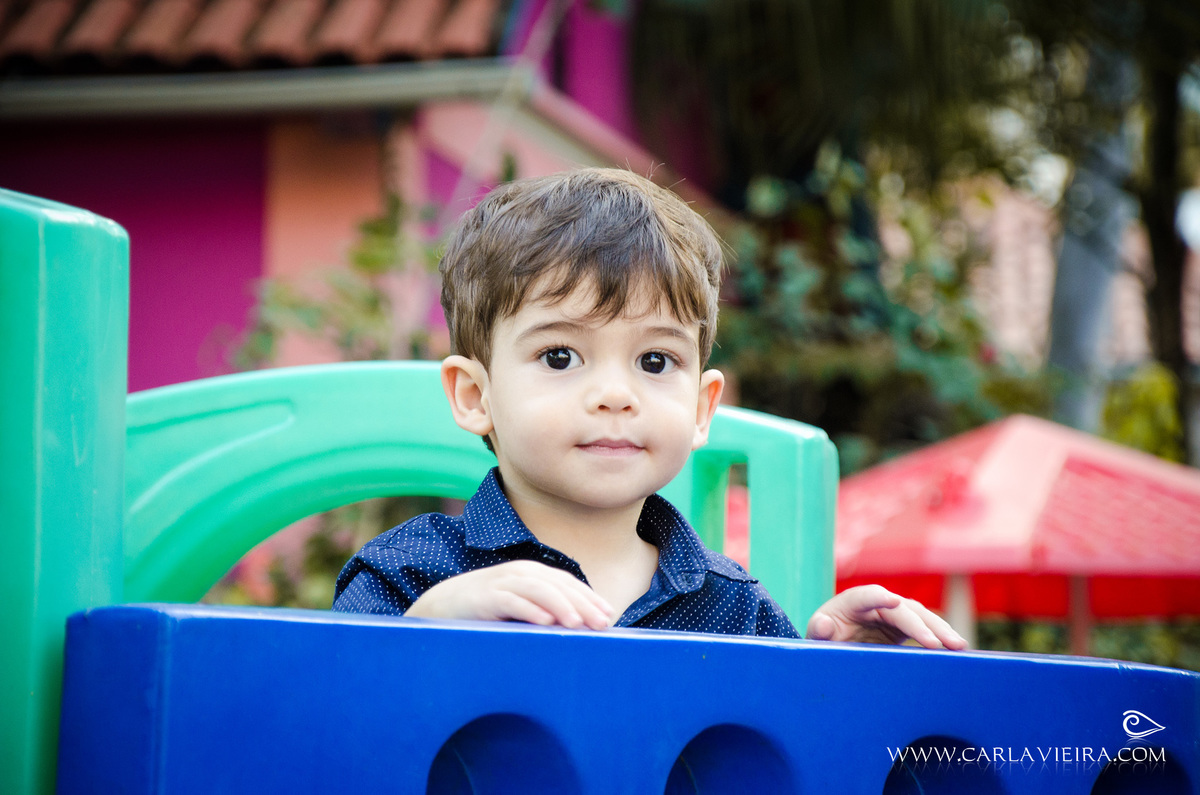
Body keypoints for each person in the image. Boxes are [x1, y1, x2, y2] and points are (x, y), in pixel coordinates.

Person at [333, 168, 965, 649]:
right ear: (476, 396)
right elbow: (323, 736)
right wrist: (422, 636)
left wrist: (839, 679)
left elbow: (774, 761)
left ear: (700, 406)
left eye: (655, 362)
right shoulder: (406, 576)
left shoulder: (735, 612)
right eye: (559, 356)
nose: (617, 394)